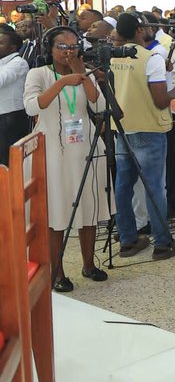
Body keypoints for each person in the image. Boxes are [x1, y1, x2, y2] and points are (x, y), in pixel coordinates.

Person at [23, 28, 108, 292]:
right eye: (63, 47)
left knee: (89, 206)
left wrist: (83, 77)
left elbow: (99, 106)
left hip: (85, 146)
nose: (69, 52)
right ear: (49, 48)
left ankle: (88, 264)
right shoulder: (39, 74)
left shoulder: (86, 72)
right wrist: (62, 82)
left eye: (73, 46)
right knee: (57, 211)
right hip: (53, 151)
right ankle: (57, 271)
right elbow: (33, 106)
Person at [108, 14, 175, 259]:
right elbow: (160, 100)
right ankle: (163, 244)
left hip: (123, 129)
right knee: (155, 187)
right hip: (149, 129)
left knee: (123, 186)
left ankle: (128, 241)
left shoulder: (113, 56)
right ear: (139, 29)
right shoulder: (151, 58)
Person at [0, 27, 30, 160]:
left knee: (9, 160)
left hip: (11, 118)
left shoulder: (19, 63)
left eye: (0, 43)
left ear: (12, 48)